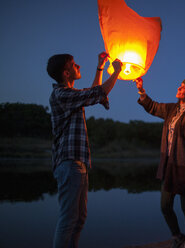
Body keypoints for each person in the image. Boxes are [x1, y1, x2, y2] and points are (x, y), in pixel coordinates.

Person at [47, 52, 122, 248]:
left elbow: (92, 92)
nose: (78, 66)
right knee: (68, 218)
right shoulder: (61, 94)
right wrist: (117, 72)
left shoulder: (70, 94)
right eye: (74, 64)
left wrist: (100, 67)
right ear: (66, 73)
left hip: (77, 163)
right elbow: (97, 93)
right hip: (69, 163)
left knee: (79, 218)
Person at [135, 77, 185, 248]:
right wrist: (141, 90)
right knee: (165, 206)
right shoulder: (170, 109)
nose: (179, 88)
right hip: (169, 166)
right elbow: (152, 107)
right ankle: (177, 236)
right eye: (179, 86)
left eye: (183, 87)